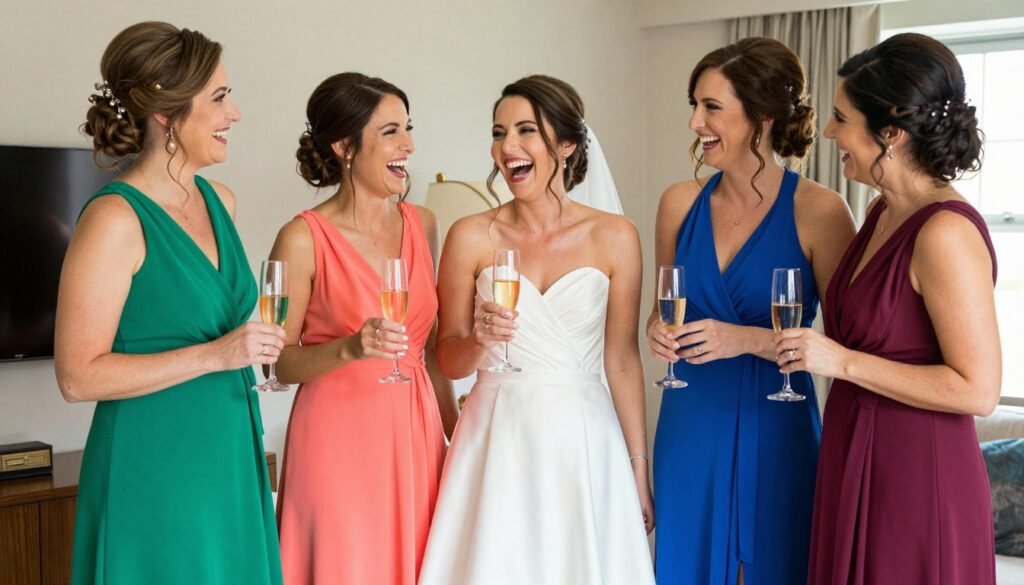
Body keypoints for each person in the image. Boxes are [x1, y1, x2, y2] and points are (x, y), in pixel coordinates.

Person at [55, 21, 284, 585]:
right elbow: (77, 377)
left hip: (229, 449)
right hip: (154, 463)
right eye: (221, 98)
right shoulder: (114, 219)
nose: (235, 114)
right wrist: (215, 355)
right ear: (166, 112)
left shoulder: (219, 201)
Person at [775, 32, 1000, 585]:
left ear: (891, 133)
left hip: (917, 476)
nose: (828, 132)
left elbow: (979, 389)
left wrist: (843, 364)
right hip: (853, 450)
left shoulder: (944, 231)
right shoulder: (880, 212)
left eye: (840, 117)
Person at [419, 75, 655, 585]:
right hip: (496, 435)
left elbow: (622, 359)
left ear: (566, 144)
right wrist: (479, 342)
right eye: (499, 132)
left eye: (526, 130)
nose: (508, 147)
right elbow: (446, 358)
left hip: (583, 438)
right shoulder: (470, 236)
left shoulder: (615, 236)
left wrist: (638, 465)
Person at [647, 37, 856, 585]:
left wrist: (745, 340)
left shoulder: (821, 210)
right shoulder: (678, 203)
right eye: (694, 105)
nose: (695, 122)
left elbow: (847, 349)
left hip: (778, 422)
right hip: (690, 423)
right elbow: (660, 312)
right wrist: (658, 334)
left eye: (712, 107)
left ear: (762, 116)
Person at [271, 72, 457, 585]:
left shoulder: (425, 224)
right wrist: (351, 348)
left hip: (416, 433)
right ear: (344, 146)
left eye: (409, 128)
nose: (409, 145)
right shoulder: (301, 239)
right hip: (335, 440)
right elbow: (278, 361)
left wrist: (454, 431)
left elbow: (434, 347)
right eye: (391, 131)